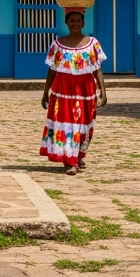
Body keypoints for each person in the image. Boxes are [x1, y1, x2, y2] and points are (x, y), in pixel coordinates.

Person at [40, 9, 108, 175]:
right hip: (63, 90)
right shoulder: (58, 44)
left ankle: (77, 156)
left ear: (83, 23)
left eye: (78, 21)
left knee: (84, 124)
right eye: (72, 21)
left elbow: (97, 69)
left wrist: (102, 90)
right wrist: (46, 91)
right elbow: (52, 70)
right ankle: (70, 161)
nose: (75, 23)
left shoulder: (92, 43)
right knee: (67, 124)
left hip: (86, 90)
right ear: (66, 23)